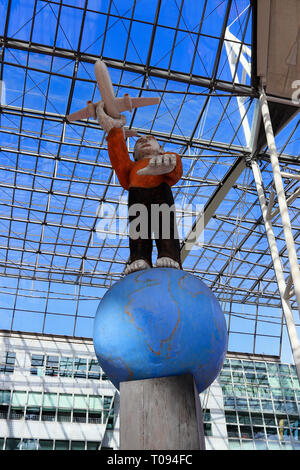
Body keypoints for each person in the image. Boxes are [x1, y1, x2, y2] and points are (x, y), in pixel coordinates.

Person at [96, 101, 183, 275]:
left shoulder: (164, 158)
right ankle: (139, 257)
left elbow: (175, 169)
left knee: (165, 226)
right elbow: (119, 158)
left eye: (150, 139)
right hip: (137, 196)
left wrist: (170, 161)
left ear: (160, 150)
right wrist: (114, 131)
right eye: (138, 142)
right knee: (138, 230)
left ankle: (170, 254)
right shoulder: (131, 168)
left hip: (161, 192)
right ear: (134, 155)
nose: (143, 140)